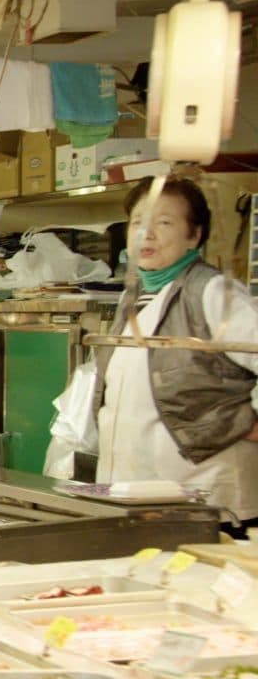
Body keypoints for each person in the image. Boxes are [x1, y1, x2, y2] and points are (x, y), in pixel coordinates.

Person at [82, 177, 258, 529]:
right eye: (137, 223)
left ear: (195, 235)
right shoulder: (134, 295)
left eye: (164, 223)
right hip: (135, 494)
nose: (147, 234)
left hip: (208, 500)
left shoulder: (213, 292)